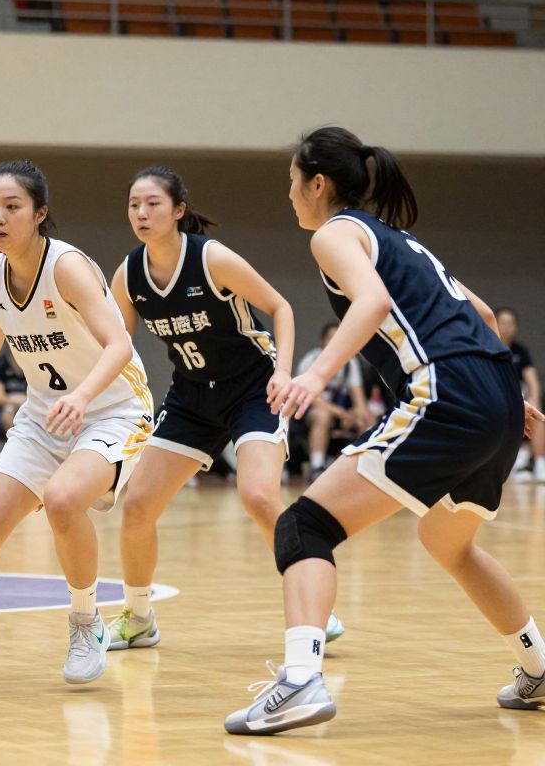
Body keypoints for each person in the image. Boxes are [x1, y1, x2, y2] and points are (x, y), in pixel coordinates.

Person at [225, 126, 545, 735]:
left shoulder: (335, 233)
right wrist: (507, 397)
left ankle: (299, 681)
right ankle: (538, 665)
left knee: (304, 524)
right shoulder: (398, 240)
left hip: (448, 393)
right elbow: (479, 314)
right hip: (494, 392)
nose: (289, 194)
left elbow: (370, 303)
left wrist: (315, 376)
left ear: (317, 183)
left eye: (292, 182)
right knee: (448, 543)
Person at [0, 160, 153, 685]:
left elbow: (120, 344)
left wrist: (85, 396)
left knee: (64, 501)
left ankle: (87, 623)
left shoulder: (66, 268)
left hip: (113, 407)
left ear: (39, 214)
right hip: (45, 415)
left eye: (12, 206)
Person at [107, 165, 344, 653]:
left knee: (258, 496)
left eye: (152, 203)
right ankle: (138, 618)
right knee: (136, 507)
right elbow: (114, 346)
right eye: (134, 204)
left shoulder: (212, 259)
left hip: (253, 388)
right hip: (192, 396)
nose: (141, 213)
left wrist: (282, 371)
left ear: (178, 211)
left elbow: (281, 307)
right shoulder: (129, 274)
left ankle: (317, 603)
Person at [296, 321, 373, 479]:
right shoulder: (310, 360)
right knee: (322, 416)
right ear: (323, 340)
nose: (335, 341)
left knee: (365, 419)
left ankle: (367, 468)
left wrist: (358, 412)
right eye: (331, 337)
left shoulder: (350, 362)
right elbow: (308, 398)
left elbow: (358, 397)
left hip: (339, 412)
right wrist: (341, 413)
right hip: (309, 410)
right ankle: (317, 467)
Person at [496, 307, 545, 482]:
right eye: (503, 322)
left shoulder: (520, 351)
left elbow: (532, 379)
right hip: (494, 402)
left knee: (537, 414)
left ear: (516, 327)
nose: (506, 327)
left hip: (517, 403)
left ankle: (539, 465)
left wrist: (534, 398)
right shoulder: (487, 347)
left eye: (511, 323)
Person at [0, 347, 28, 437]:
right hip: (3, 409)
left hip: (29, 406)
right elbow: (0, 398)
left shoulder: (33, 365)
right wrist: (18, 400)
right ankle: (15, 445)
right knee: (8, 411)